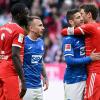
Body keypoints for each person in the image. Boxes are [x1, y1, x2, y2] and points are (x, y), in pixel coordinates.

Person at [61, 3, 100, 100]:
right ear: (71, 21)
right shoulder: (69, 39)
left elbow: (63, 31)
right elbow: (69, 60)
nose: (81, 18)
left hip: (87, 77)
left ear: (89, 15)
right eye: (78, 17)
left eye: (81, 14)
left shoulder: (87, 31)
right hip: (73, 80)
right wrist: (89, 58)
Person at [0, 3, 29, 100]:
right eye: (26, 13)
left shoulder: (2, 28)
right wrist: (23, 80)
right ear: (19, 15)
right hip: (10, 72)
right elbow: (15, 55)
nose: (28, 16)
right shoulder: (18, 30)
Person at [23, 16, 49, 100]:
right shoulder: (23, 42)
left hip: (39, 86)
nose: (43, 27)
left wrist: (45, 76)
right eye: (40, 25)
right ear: (31, 28)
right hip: (27, 87)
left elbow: (40, 60)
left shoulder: (41, 42)